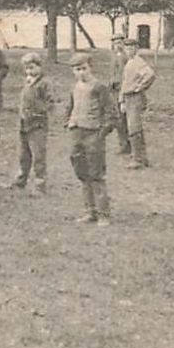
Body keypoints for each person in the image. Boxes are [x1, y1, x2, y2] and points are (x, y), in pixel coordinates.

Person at [62, 52, 118, 225]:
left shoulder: (99, 87)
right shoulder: (75, 87)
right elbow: (70, 107)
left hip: (93, 134)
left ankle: (103, 214)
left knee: (96, 174)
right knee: (82, 173)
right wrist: (68, 123)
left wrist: (101, 133)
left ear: (90, 67)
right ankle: (89, 211)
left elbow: (111, 113)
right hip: (76, 132)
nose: (80, 73)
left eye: (83, 68)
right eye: (77, 70)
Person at [9, 53, 54, 195]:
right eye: (27, 68)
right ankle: (21, 180)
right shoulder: (28, 81)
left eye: (32, 68)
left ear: (39, 67)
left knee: (38, 155)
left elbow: (50, 103)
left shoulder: (45, 83)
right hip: (24, 123)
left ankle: (40, 185)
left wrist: (38, 111)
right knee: (24, 154)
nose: (29, 71)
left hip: (37, 125)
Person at [115, 35, 158, 168]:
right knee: (131, 127)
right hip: (127, 97)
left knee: (134, 127)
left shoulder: (138, 61)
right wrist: (121, 100)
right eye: (127, 47)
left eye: (132, 47)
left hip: (135, 97)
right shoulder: (129, 62)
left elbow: (150, 74)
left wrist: (139, 87)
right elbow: (125, 82)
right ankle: (140, 157)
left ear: (137, 49)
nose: (129, 50)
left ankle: (138, 159)